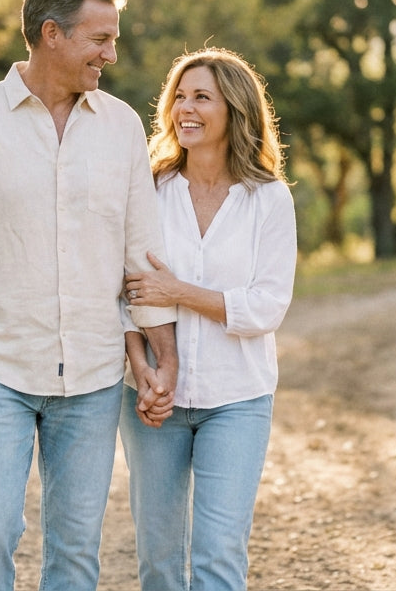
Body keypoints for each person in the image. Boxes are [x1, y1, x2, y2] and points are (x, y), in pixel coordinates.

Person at [0, 0, 178, 591]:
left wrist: (162, 356)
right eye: (100, 39)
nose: (111, 54)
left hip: (91, 372)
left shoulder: (120, 128)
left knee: (76, 550)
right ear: (50, 34)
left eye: (113, 39)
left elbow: (144, 255)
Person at [120, 47, 297, 591]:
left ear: (235, 110)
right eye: (179, 96)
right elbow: (122, 290)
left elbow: (267, 305)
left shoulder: (268, 199)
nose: (184, 109)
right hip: (151, 397)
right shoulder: (148, 189)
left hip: (237, 399)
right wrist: (141, 368)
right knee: (158, 559)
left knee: (219, 556)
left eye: (202, 97)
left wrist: (180, 291)